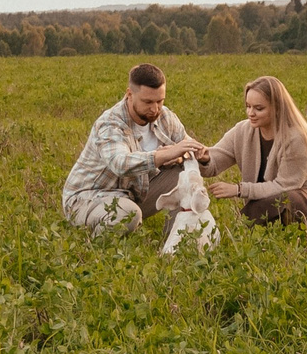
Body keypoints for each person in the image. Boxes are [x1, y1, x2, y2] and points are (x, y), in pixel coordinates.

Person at [60, 64, 210, 236]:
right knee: (128, 214)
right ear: (129, 94)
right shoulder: (110, 124)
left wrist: (201, 157)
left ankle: (175, 243)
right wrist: (165, 154)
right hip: (89, 197)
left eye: (160, 101)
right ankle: (96, 251)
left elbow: (187, 147)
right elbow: (120, 164)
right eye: (147, 102)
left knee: (186, 177)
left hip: (133, 195)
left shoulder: (165, 117)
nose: (155, 109)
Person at [202, 74, 307, 232]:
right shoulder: (242, 131)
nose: (251, 113)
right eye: (248, 106)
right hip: (273, 197)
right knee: (254, 215)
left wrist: (239, 190)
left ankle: (305, 245)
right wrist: (204, 158)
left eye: (259, 108)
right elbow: (213, 163)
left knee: (291, 200)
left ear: (276, 108)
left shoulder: (296, 138)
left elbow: (284, 186)